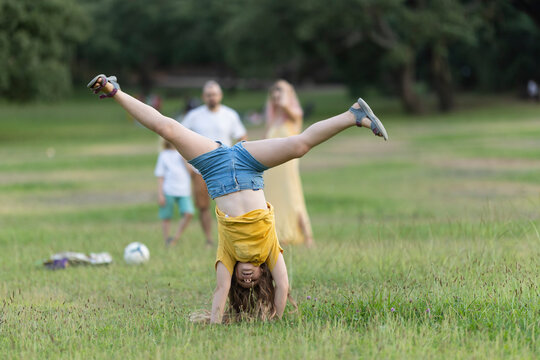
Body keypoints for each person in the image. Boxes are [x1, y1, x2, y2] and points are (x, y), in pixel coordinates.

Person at [87, 74, 388, 324]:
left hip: (214, 167)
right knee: (299, 146)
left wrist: (216, 325)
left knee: (168, 128)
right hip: (248, 163)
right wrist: (275, 321)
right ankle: (354, 115)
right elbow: (283, 285)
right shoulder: (270, 251)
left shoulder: (227, 255)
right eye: (252, 280)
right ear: (262, 274)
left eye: (242, 282)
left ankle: (114, 90)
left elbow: (220, 291)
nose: (246, 277)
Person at [182, 81, 247, 246]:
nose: (212, 97)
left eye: (215, 94)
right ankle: (209, 239)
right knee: (203, 206)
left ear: (220, 95)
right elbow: (180, 138)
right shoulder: (194, 116)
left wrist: (239, 161)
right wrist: (187, 164)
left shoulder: (229, 115)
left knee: (229, 205)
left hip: (224, 167)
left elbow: (242, 137)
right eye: (209, 94)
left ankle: (230, 238)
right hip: (200, 168)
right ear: (204, 96)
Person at [264, 80, 314, 247]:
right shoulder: (273, 119)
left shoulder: (294, 114)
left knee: (293, 198)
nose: (276, 95)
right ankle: (279, 233)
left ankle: (307, 237)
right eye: (274, 92)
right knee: (273, 198)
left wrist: (283, 92)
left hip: (288, 166)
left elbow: (286, 106)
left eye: (280, 92)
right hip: (273, 167)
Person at [154, 137, 194, 246]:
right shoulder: (164, 155)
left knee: (188, 213)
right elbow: (160, 175)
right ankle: (167, 239)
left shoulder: (184, 154)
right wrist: (160, 194)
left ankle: (175, 237)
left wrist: (184, 160)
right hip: (169, 190)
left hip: (184, 190)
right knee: (166, 216)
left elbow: (191, 172)